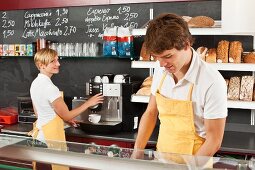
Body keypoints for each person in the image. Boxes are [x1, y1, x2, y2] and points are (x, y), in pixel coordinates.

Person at [132, 13, 227, 158]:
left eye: (168, 56)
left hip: (195, 164)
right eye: (157, 58)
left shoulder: (212, 82)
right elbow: (151, 112)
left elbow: (214, 141)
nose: (162, 64)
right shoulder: (161, 70)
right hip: (162, 160)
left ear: (186, 45)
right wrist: (137, 152)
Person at [29, 48, 104, 170]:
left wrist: (63, 120)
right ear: (41, 65)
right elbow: (67, 115)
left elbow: (39, 113)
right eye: (53, 61)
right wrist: (88, 103)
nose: (58, 64)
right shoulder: (50, 88)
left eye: (57, 60)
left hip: (39, 138)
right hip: (50, 140)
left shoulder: (35, 83)